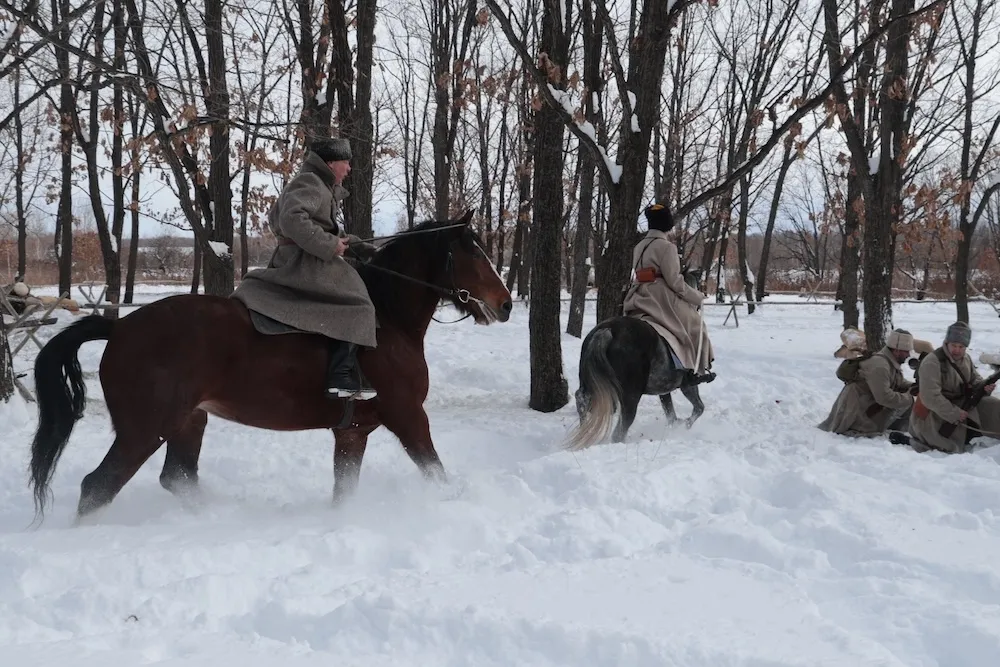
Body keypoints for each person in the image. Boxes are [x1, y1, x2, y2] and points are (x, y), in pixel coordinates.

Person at [231, 137, 378, 400]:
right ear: (331, 163)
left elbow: (328, 232)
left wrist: (362, 247)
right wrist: (329, 245)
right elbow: (291, 219)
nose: (349, 168)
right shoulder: (310, 181)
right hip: (302, 263)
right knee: (359, 305)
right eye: (345, 162)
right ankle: (340, 376)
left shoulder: (320, 186)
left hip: (307, 257)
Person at [622, 203, 714, 383]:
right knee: (696, 325)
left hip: (637, 294)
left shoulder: (639, 246)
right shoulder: (667, 247)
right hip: (659, 296)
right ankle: (696, 371)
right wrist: (697, 297)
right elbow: (675, 282)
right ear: (667, 224)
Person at [908, 321, 1000, 453]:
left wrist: (984, 388)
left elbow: (975, 381)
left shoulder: (966, 359)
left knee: (993, 405)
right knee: (947, 446)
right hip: (935, 411)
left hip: (961, 404)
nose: (957, 350)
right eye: (954, 345)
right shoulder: (932, 362)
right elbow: (930, 397)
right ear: (947, 342)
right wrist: (954, 413)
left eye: (961, 346)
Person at [818, 328, 918, 437]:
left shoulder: (887, 362)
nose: (908, 355)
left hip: (865, 408)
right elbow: (885, 397)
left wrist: (913, 386)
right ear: (897, 350)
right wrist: (911, 399)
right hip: (855, 415)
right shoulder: (880, 366)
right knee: (907, 401)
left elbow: (896, 381)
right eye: (906, 351)